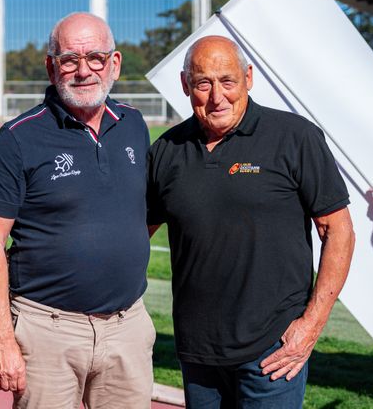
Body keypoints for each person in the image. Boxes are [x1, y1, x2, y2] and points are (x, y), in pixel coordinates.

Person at [146, 35, 356, 408]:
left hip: (273, 351)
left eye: (227, 81)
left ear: (248, 78)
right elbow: (133, 236)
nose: (217, 97)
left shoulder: (295, 137)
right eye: (202, 83)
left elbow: (338, 229)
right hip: (197, 352)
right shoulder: (166, 150)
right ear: (184, 85)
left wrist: (310, 326)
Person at [0, 12, 155, 409]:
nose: (84, 70)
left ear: (115, 63)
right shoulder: (19, 138)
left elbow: (138, 217)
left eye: (96, 58)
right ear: (51, 67)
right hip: (46, 330)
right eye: (70, 59)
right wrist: (1, 340)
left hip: (127, 328)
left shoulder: (134, 125)